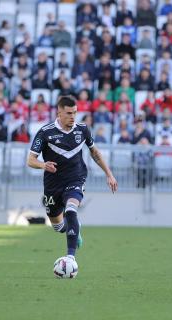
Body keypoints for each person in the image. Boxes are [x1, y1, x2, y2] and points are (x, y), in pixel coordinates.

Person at [27, 96, 118, 263]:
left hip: (75, 179)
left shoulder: (82, 129)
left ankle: (70, 258)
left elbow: (95, 153)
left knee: (70, 210)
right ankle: (74, 227)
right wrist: (43, 165)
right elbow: (30, 160)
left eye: (75, 113)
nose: (73, 117)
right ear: (59, 112)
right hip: (52, 185)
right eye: (69, 113)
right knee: (59, 226)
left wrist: (109, 174)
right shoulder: (45, 132)